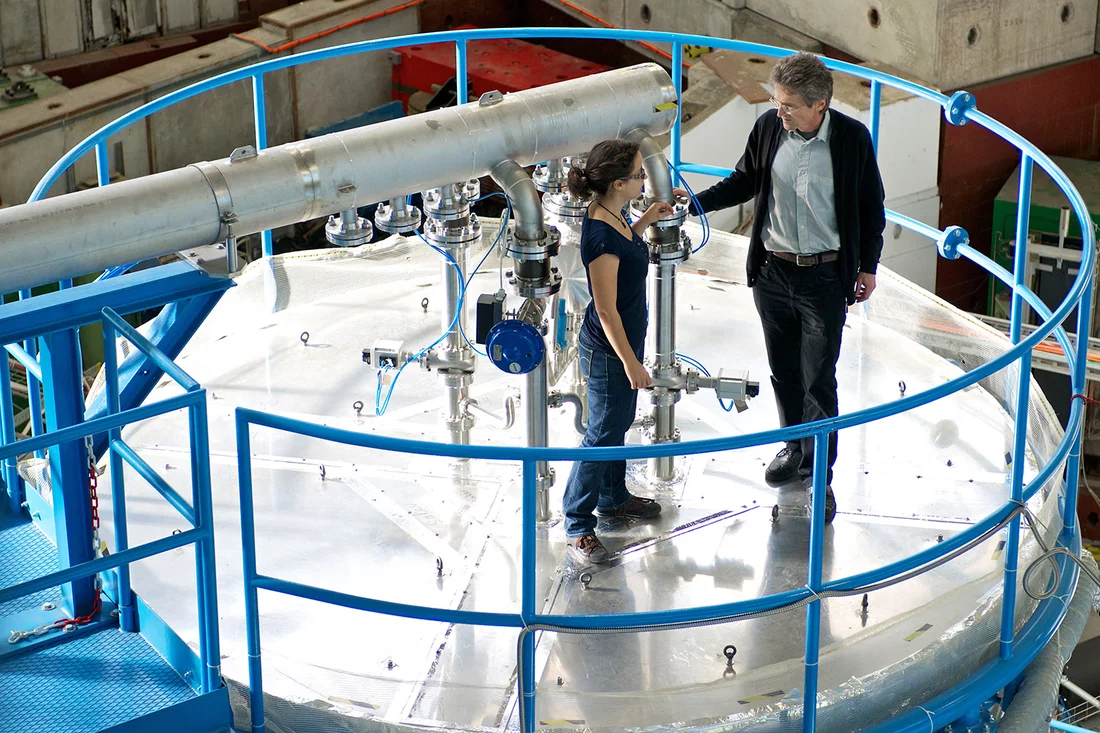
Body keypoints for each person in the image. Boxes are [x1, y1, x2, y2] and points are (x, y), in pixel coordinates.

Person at [675, 52, 885, 523]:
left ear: (820, 104)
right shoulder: (770, 127)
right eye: (777, 101)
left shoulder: (852, 139)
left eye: (788, 104)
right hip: (772, 274)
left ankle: (821, 478)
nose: (779, 111)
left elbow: (872, 207)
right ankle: (793, 449)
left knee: (818, 380)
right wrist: (694, 205)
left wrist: (867, 267)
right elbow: (744, 180)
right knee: (783, 372)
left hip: (825, 279)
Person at [562, 139, 674, 564]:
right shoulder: (601, 238)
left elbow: (627, 240)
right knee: (602, 433)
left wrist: (647, 218)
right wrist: (631, 363)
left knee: (616, 425)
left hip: (623, 342)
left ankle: (612, 499)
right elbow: (606, 310)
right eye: (638, 175)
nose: (643, 179)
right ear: (617, 183)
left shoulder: (614, 214)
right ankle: (577, 523)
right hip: (611, 350)